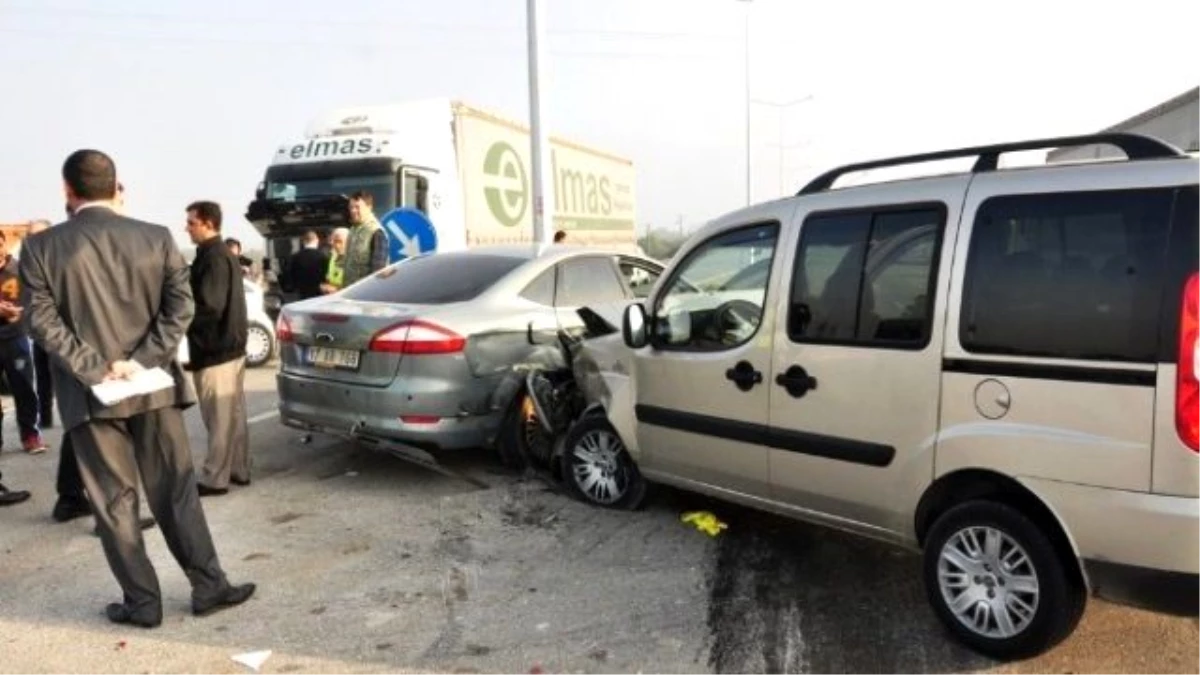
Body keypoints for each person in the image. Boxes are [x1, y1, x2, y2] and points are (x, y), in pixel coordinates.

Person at [20, 149, 254, 627]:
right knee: (176, 492)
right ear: (115, 186)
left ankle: (143, 603)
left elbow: (41, 321)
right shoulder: (156, 237)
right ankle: (209, 585)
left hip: (91, 397)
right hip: (153, 390)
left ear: (68, 191)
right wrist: (140, 360)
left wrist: (94, 367)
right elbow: (180, 309)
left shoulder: (42, 248)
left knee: (114, 501)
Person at [184, 201, 251, 496]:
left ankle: (215, 478)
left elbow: (210, 306)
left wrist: (181, 321)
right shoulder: (220, 254)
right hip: (229, 347)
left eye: (191, 222)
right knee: (233, 415)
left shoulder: (213, 257)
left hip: (216, 350)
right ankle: (239, 469)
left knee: (220, 417)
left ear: (208, 223)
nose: (186, 228)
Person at [0, 229, 47, 454]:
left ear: (5, 245)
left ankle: (30, 436)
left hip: (15, 338)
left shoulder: (20, 269)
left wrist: (21, 313)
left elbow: (36, 300)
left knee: (24, 388)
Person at [27, 219, 54, 428]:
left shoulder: (64, 258)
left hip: (67, 330)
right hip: (40, 331)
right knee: (43, 377)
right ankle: (45, 418)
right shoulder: (27, 263)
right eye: (30, 234)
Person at [341, 191, 387, 287]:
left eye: (357, 207)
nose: (353, 211)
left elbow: (377, 272)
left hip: (365, 295)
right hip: (349, 294)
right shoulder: (353, 230)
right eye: (351, 207)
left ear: (369, 207)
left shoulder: (376, 231)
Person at [283, 229, 328, 301]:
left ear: (303, 242)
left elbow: (289, 276)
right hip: (320, 294)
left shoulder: (294, 257)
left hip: (301, 295)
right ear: (317, 241)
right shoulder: (324, 257)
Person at [320, 227, 348, 294]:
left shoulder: (355, 260)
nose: (334, 245)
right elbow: (329, 278)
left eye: (338, 241)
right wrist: (326, 286)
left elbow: (357, 287)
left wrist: (337, 289)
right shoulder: (333, 257)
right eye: (333, 241)